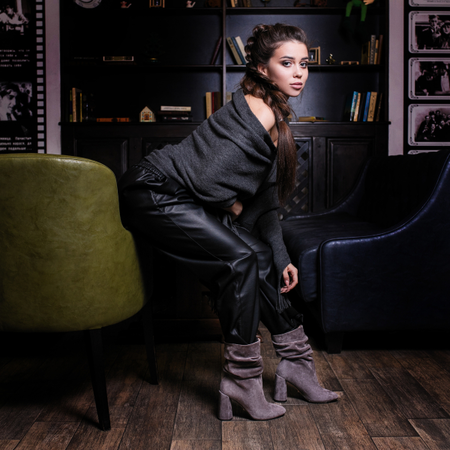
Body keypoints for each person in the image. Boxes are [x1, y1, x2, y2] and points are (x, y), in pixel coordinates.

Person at [118, 23, 338, 421]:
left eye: (304, 64)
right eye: (287, 63)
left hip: (181, 196)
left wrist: (281, 256)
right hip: (152, 190)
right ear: (263, 69)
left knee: (261, 258)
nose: (299, 73)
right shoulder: (260, 110)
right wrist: (235, 208)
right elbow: (206, 180)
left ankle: (297, 365)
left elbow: (265, 204)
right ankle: (241, 380)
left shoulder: (275, 118)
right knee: (240, 260)